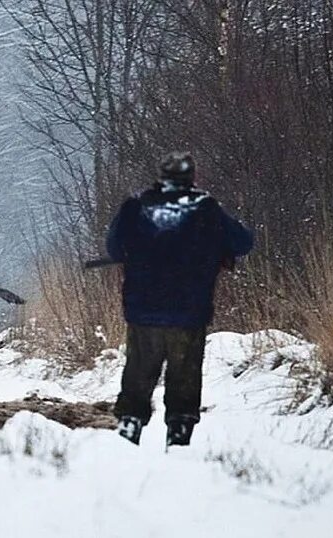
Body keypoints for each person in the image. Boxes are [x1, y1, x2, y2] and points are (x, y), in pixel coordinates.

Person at [106, 151, 253, 447]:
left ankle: (130, 425)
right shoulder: (205, 208)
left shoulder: (137, 206)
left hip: (143, 308)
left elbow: (113, 247)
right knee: (184, 373)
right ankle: (179, 432)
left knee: (139, 369)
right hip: (189, 310)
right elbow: (242, 242)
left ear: (161, 176)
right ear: (191, 177)